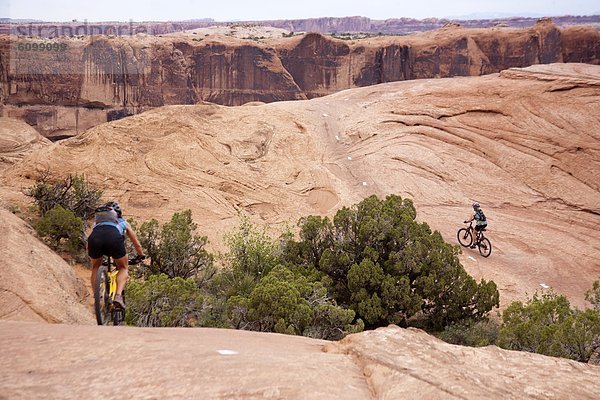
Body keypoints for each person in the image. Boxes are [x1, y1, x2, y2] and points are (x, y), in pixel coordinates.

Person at [87, 201, 144, 309]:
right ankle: (118, 296)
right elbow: (135, 242)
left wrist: (90, 253)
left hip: (95, 240)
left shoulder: (97, 223)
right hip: (113, 239)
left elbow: (88, 240)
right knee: (123, 267)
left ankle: (97, 298)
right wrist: (140, 255)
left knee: (95, 267)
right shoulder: (123, 223)